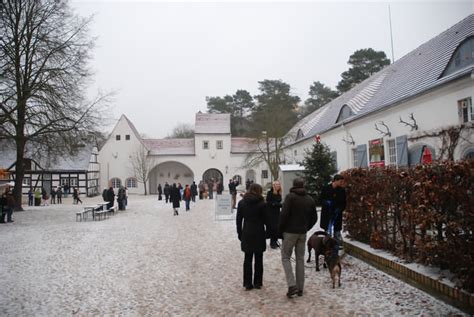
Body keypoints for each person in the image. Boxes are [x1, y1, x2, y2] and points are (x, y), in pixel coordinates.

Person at [279, 177, 317, 298]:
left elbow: (283, 215)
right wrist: (306, 227)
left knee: (285, 257)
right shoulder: (310, 199)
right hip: (302, 232)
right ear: (303, 185)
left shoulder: (290, 197)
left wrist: (280, 230)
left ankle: (292, 285)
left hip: (290, 232)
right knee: (300, 259)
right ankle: (300, 288)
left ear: (293, 185)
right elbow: (314, 218)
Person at [236, 183, 267, 291]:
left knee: (247, 258)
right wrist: (269, 233)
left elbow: (239, 220)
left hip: (247, 231)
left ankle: (247, 283)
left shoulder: (242, 203)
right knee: (259, 258)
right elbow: (266, 220)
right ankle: (258, 282)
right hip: (259, 232)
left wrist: (239, 233)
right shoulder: (262, 204)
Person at [320, 174, 347, 250]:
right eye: (340, 181)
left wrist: (340, 209)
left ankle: (337, 244)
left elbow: (344, 202)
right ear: (335, 181)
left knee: (337, 230)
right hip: (327, 214)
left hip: (337, 214)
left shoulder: (341, 190)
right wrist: (326, 203)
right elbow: (321, 199)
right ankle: (327, 245)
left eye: (343, 182)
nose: (342, 183)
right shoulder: (326, 189)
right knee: (328, 230)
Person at [266, 180, 282, 249]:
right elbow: (268, 202)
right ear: (274, 185)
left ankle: (275, 241)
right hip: (271, 213)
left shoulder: (278, 193)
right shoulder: (270, 193)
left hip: (277, 213)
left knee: (276, 228)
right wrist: (278, 204)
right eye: (276, 184)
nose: (278, 185)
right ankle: (272, 243)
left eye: (279, 184)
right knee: (272, 228)